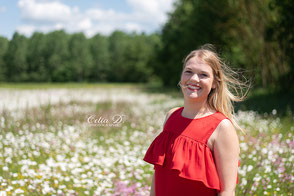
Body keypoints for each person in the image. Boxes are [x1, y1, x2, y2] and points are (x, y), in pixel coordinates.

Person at [143, 44, 249, 196]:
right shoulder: (171, 117)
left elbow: (227, 191)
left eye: (203, 75)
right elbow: (158, 177)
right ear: (181, 76)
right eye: (188, 72)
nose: (194, 79)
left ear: (214, 83)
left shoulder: (221, 127)